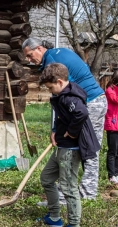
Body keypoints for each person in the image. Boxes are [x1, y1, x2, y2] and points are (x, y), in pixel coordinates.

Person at [22, 37, 107, 200]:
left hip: (90, 102)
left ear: (39, 49)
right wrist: (56, 128)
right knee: (85, 146)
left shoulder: (51, 62)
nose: (29, 60)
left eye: (30, 55)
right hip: (93, 101)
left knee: (85, 147)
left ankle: (79, 194)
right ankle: (82, 192)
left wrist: (62, 129)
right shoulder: (54, 54)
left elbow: (69, 95)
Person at [39, 63, 100, 227]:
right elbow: (64, 116)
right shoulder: (65, 94)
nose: (50, 91)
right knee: (46, 178)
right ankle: (54, 217)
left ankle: (73, 223)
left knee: (68, 187)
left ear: (59, 82)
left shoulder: (70, 97)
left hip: (70, 150)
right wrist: (56, 131)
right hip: (61, 147)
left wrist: (72, 132)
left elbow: (82, 113)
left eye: (50, 87)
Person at [104, 70, 118, 184]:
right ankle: (111, 174)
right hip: (112, 125)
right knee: (112, 151)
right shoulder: (110, 91)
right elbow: (116, 100)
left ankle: (116, 173)